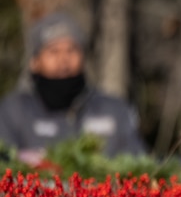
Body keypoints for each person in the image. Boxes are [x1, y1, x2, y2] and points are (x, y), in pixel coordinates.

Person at [0, 11, 146, 165]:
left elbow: (139, 164)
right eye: (53, 51)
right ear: (35, 62)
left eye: (72, 50)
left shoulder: (114, 110)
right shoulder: (14, 111)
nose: (64, 60)